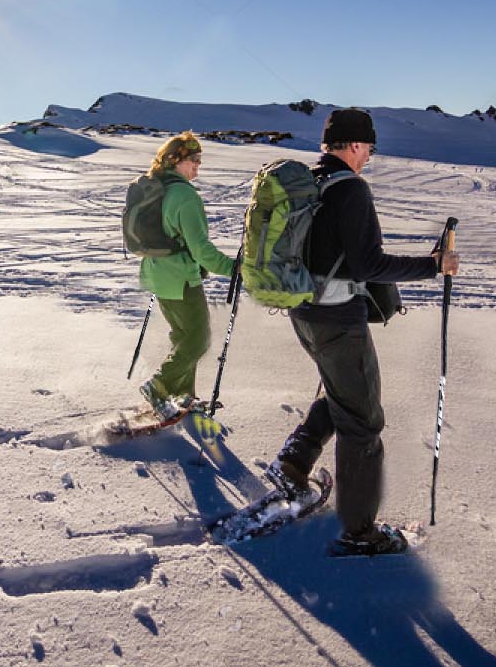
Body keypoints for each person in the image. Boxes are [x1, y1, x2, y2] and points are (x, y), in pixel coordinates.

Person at [264, 108, 459, 556]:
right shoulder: (349, 190)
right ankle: (360, 531)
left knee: (342, 393)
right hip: (336, 318)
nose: (370, 155)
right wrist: (434, 266)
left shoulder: (309, 183)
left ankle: (293, 464)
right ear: (353, 144)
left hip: (304, 312)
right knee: (363, 419)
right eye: (369, 146)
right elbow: (369, 265)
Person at [137, 131, 235, 419]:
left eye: (199, 160)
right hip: (180, 279)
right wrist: (234, 269)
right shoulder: (184, 195)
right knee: (198, 339)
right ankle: (159, 385)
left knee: (183, 338)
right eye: (193, 160)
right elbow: (201, 250)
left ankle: (183, 397)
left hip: (158, 276)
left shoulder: (157, 187)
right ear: (175, 160)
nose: (197, 166)